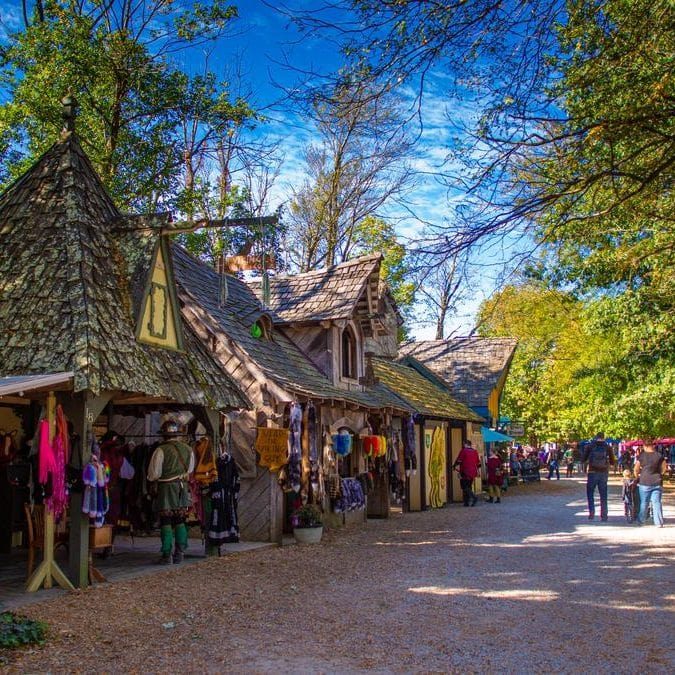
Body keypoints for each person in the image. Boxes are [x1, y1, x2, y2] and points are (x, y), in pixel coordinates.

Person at [147, 419, 195, 564]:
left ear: (164, 435)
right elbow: (190, 469)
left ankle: (166, 554)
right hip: (182, 486)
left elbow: (153, 474)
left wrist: (152, 481)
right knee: (180, 520)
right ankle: (180, 552)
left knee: (166, 521)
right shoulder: (188, 449)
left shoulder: (160, 450)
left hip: (166, 487)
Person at [582, 432, 615, 521]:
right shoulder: (608, 447)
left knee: (590, 493)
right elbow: (612, 461)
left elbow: (583, 459)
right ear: (604, 437)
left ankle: (591, 513)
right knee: (603, 495)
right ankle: (604, 516)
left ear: (596, 437)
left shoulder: (590, 446)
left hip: (592, 472)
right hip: (603, 473)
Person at [634, 440, 666, 528]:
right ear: (653, 446)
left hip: (644, 481)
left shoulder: (642, 456)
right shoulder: (659, 456)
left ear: (645, 446)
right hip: (657, 481)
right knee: (656, 502)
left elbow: (636, 468)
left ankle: (641, 521)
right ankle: (658, 522)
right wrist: (660, 474)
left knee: (644, 502)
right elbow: (664, 468)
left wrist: (637, 476)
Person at [453, 439, 481, 507]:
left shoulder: (464, 451)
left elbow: (459, 460)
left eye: (463, 444)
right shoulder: (475, 451)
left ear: (465, 444)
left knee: (464, 486)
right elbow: (478, 463)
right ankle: (466, 502)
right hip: (473, 471)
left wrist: (454, 466)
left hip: (465, 471)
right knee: (468, 486)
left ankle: (474, 497)